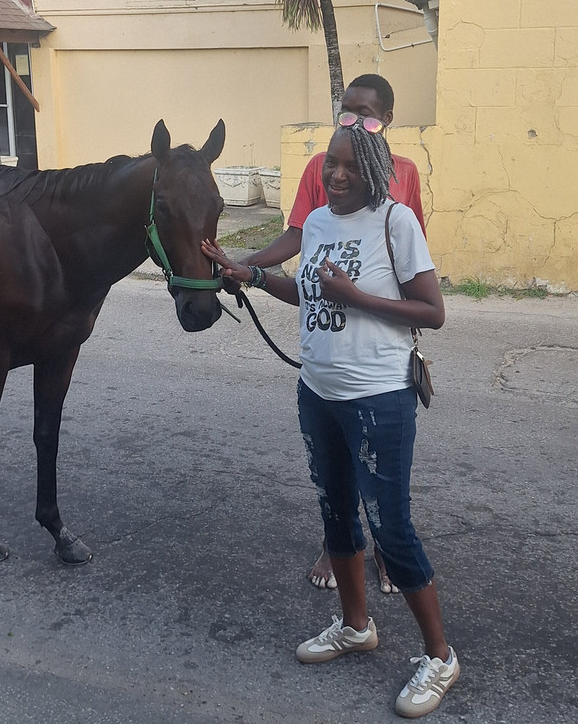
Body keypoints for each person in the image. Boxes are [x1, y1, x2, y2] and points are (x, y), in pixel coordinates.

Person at [202, 118, 457, 718]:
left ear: (371, 168)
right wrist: (253, 275)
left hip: (379, 398)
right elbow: (308, 293)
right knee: (336, 512)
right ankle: (355, 625)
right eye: (327, 166)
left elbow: (432, 310)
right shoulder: (316, 224)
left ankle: (440, 655)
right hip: (318, 391)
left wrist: (357, 297)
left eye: (346, 165)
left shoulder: (397, 223)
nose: (334, 175)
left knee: (391, 529)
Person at [245, 73, 424, 595]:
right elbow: (301, 235)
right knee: (334, 474)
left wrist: (373, 303)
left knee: (384, 475)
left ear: (386, 120)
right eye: (345, 112)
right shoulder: (319, 173)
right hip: (324, 357)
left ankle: (390, 552)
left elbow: (415, 271)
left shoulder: (405, 177)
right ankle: (339, 546)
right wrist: (246, 265)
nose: (353, 123)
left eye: (366, 114)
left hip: (381, 342)